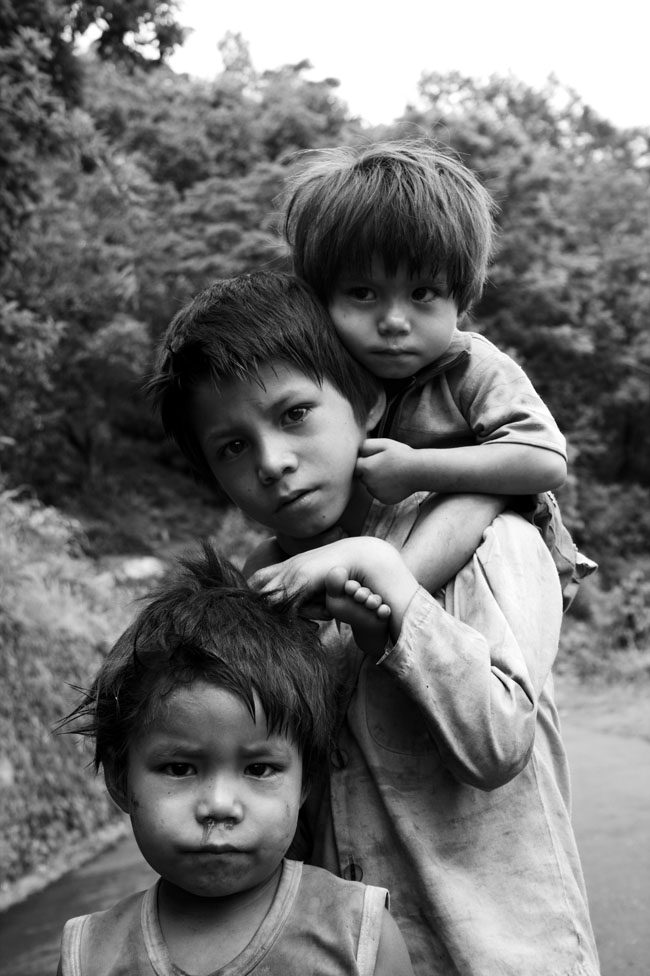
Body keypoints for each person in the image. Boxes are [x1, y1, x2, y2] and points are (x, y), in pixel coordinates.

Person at [147, 271, 600, 976]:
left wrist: (391, 603)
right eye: (232, 447)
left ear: (366, 403)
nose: (273, 463)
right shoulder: (267, 602)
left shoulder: (490, 538)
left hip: (505, 954)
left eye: (294, 414)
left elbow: (498, 744)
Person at [56, 544, 414, 976]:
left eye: (260, 769)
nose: (219, 806)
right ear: (119, 780)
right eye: (179, 768)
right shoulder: (89, 955)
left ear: (305, 783)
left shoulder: (359, 935)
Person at [282, 138, 596, 605]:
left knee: (476, 492)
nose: (393, 321)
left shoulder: (474, 367)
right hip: (376, 535)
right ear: (322, 297)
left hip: (490, 570)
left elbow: (545, 460)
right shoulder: (328, 373)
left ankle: (393, 589)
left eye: (423, 293)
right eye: (363, 293)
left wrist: (415, 468)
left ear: (460, 300)